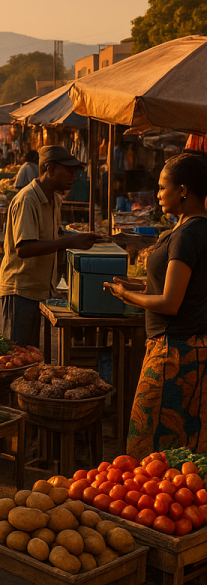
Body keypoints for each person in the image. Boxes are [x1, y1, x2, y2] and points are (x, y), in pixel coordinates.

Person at [104, 153, 207, 459]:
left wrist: (126, 296)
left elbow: (169, 302)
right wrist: (136, 285)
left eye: (163, 188)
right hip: (191, 349)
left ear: (184, 190)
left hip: (173, 354)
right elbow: (186, 289)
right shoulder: (192, 229)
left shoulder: (187, 236)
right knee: (186, 451)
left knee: (148, 449)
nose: (159, 195)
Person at [0, 145, 103, 347]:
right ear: (50, 169)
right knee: (18, 355)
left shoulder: (55, 199)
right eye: (69, 171)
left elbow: (53, 235)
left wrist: (76, 238)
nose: (73, 176)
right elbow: (24, 248)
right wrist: (69, 242)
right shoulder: (27, 199)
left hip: (41, 289)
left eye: (74, 172)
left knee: (32, 354)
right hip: (21, 289)